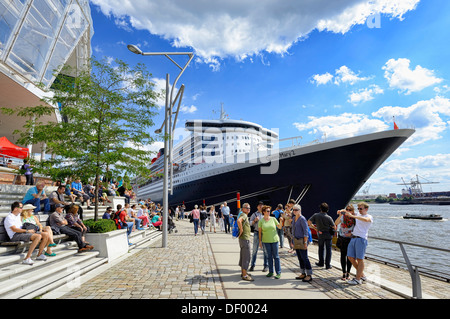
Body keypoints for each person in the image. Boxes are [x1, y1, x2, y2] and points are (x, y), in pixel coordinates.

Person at [346, 202, 373, 285]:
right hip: (353, 238)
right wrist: (341, 211)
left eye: (361, 208)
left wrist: (353, 216)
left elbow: (366, 220)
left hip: (361, 239)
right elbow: (348, 211)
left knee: (360, 259)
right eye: (358, 208)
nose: (359, 210)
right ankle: (362, 275)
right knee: (350, 257)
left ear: (366, 209)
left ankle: (358, 279)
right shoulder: (358, 214)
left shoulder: (369, 216)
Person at [308, 202, 336, 269]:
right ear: (327, 210)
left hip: (320, 234)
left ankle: (321, 262)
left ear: (320, 208)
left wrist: (315, 228)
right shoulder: (329, 217)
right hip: (328, 234)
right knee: (328, 250)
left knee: (321, 248)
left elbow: (309, 222)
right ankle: (328, 264)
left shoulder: (316, 215)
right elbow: (334, 226)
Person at [258, 205, 283, 279]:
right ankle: (271, 271)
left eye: (269, 211)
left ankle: (278, 272)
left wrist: (281, 221)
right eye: (267, 211)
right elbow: (260, 232)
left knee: (276, 256)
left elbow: (280, 227)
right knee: (269, 257)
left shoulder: (273, 219)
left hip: (274, 240)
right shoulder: (261, 221)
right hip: (266, 241)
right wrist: (260, 241)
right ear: (263, 212)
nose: (269, 212)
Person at [291, 204, 313, 282]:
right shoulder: (294, 218)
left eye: (296, 210)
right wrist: (292, 241)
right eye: (293, 210)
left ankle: (309, 274)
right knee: (300, 257)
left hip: (302, 240)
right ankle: (303, 273)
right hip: (296, 240)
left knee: (305, 257)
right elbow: (293, 230)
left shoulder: (302, 219)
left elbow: (306, 231)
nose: (294, 211)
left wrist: (305, 242)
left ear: (300, 210)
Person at [335, 204, 356, 281]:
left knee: (349, 256)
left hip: (350, 239)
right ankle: (343, 273)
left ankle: (348, 273)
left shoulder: (354, 218)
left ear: (353, 211)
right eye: (347, 209)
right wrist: (340, 215)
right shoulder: (343, 217)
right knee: (343, 256)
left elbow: (357, 229)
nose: (348, 211)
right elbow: (336, 223)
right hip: (342, 238)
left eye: (350, 210)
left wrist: (351, 234)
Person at [249, 201, 268, 272]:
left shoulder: (265, 214)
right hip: (257, 233)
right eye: (259, 205)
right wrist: (254, 220)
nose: (261, 206)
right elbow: (250, 223)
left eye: (262, 205)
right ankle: (252, 265)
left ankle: (266, 266)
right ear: (257, 207)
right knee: (254, 250)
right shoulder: (254, 214)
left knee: (265, 251)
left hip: (264, 233)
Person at [237, 203, 253, 281]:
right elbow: (239, 221)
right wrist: (241, 230)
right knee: (247, 256)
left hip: (243, 239)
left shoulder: (244, 215)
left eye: (249, 208)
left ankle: (243, 272)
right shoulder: (244, 215)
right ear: (243, 209)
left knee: (243, 256)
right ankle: (245, 275)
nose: (248, 209)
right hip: (245, 239)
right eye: (246, 208)